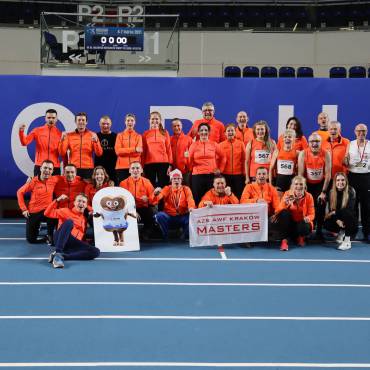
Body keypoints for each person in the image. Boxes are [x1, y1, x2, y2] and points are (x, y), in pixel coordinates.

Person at [44, 193, 100, 268]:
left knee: (96, 251)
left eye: (84, 202)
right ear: (74, 203)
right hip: (60, 238)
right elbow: (47, 213)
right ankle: (58, 253)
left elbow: (80, 235)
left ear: (86, 205)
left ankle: (63, 256)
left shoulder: (83, 219)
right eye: (79, 201)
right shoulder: (65, 211)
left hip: (72, 244)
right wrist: (57, 200)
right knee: (69, 222)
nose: (81, 203)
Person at [298, 133, 331, 240]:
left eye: (317, 141)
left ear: (320, 143)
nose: (314, 144)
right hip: (307, 184)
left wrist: (324, 192)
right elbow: (300, 174)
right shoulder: (303, 153)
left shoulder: (326, 154)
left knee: (321, 205)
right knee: (307, 206)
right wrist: (302, 190)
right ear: (309, 143)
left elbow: (328, 175)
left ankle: (319, 230)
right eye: (312, 141)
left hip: (320, 184)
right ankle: (308, 230)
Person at [16, 160, 58, 244]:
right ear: (40, 169)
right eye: (45, 168)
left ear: (52, 171)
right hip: (34, 212)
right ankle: (44, 238)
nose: (47, 170)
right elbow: (19, 192)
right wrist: (24, 209)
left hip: (47, 211)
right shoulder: (33, 181)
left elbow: (69, 178)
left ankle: (50, 235)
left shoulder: (55, 179)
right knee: (31, 240)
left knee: (55, 214)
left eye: (50, 169)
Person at [271, 175, 315, 251]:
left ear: (304, 186)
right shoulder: (287, 194)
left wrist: (308, 218)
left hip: (301, 224)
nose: (298, 186)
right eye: (296, 184)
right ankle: (284, 241)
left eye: (301, 184)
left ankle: (300, 237)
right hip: (290, 225)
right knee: (284, 212)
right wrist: (285, 203)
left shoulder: (309, 196)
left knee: (304, 226)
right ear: (293, 186)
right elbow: (277, 211)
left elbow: (312, 214)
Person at [188, 122, 226, 205]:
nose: (203, 132)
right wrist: (193, 169)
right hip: (197, 176)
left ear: (209, 132)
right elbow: (189, 160)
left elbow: (223, 157)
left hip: (211, 175)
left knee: (212, 198)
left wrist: (220, 170)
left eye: (206, 130)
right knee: (197, 198)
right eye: (201, 130)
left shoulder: (214, 144)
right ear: (198, 132)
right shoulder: (193, 145)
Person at [344, 123, 370, 242]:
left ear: (367, 132)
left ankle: (367, 232)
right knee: (353, 206)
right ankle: (352, 232)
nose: (361, 133)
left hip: (366, 177)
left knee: (366, 207)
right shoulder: (351, 144)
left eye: (363, 131)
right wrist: (345, 160)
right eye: (359, 131)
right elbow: (345, 159)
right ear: (355, 132)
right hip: (353, 177)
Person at [153, 169, 195, 240]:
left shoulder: (186, 189)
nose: (176, 180)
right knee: (160, 215)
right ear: (171, 180)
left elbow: (190, 200)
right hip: (169, 217)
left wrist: (191, 208)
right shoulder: (167, 188)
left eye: (178, 178)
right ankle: (165, 235)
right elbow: (158, 199)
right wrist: (155, 194)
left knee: (192, 216)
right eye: (174, 179)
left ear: (181, 180)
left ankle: (185, 235)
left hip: (182, 216)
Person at [59, 112, 103, 179]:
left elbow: (99, 153)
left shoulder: (93, 135)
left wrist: (96, 142)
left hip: (88, 169)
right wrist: (62, 141)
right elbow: (62, 153)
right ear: (75, 122)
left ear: (86, 122)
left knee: (87, 188)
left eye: (83, 120)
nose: (81, 122)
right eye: (79, 120)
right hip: (73, 168)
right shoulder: (69, 135)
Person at [19, 108, 62, 176]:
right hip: (40, 165)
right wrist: (21, 132)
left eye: (53, 118)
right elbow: (24, 142)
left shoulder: (60, 134)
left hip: (55, 166)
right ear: (45, 118)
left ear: (56, 119)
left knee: (54, 187)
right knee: (38, 186)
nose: (51, 120)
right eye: (49, 117)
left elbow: (62, 152)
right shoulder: (37, 131)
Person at [119, 162, 156, 239]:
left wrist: (148, 199)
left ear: (141, 170)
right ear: (129, 171)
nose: (135, 170)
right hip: (129, 209)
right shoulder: (123, 183)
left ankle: (146, 231)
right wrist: (132, 211)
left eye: (137, 168)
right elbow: (121, 202)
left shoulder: (147, 182)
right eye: (133, 168)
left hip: (143, 208)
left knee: (152, 211)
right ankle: (131, 233)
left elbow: (154, 200)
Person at [324, 172, 358, 250]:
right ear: (335, 182)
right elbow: (331, 210)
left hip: (350, 221)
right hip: (339, 218)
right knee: (327, 223)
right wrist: (337, 220)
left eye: (343, 180)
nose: (340, 182)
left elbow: (349, 209)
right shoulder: (331, 192)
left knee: (346, 212)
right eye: (338, 180)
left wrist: (334, 213)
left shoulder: (351, 191)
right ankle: (341, 232)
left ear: (346, 181)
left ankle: (347, 241)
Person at [142, 111, 173, 188]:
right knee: (150, 186)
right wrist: (142, 166)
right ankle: (152, 200)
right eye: (152, 119)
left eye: (156, 119)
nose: (154, 121)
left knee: (163, 186)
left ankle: (163, 200)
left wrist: (170, 165)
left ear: (160, 120)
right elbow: (144, 151)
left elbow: (169, 149)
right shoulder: (145, 134)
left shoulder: (165, 132)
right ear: (149, 120)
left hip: (163, 164)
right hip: (149, 164)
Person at [218, 124, 246, 198]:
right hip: (225, 175)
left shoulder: (241, 144)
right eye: (228, 131)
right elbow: (218, 160)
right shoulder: (220, 145)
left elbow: (244, 159)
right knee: (226, 196)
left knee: (238, 195)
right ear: (225, 133)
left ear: (235, 132)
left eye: (232, 130)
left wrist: (244, 173)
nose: (230, 132)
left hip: (238, 175)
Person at [115, 113, 143, 184]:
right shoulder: (119, 135)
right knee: (122, 191)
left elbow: (138, 153)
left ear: (135, 122)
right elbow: (118, 151)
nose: (130, 122)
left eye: (132, 120)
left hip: (135, 168)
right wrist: (134, 149)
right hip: (121, 167)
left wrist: (124, 151)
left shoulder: (138, 136)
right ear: (125, 122)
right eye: (128, 120)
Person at [269, 129, 298, 195]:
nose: (287, 138)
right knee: (279, 203)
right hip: (279, 181)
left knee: (291, 202)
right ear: (283, 139)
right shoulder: (277, 151)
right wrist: (270, 184)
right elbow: (271, 168)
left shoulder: (297, 153)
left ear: (294, 139)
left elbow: (298, 171)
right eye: (285, 137)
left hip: (291, 181)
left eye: (290, 137)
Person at [94, 115, 117, 184]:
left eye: (107, 124)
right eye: (103, 124)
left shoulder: (116, 136)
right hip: (99, 168)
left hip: (113, 168)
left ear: (111, 124)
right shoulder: (95, 136)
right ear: (99, 124)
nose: (105, 126)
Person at [170, 118, 193, 186]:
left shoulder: (189, 139)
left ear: (181, 126)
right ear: (172, 127)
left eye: (178, 125)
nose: (177, 128)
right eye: (174, 126)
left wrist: (188, 167)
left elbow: (192, 155)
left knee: (186, 190)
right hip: (173, 172)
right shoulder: (169, 139)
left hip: (186, 171)